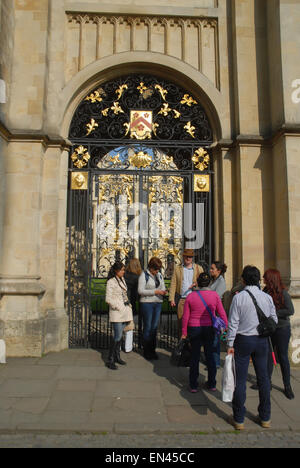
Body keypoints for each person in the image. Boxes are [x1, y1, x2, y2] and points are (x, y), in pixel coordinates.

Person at [227, 265, 278, 430]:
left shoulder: (238, 297)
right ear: (258, 279)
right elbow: (274, 319)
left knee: (240, 380)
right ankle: (265, 417)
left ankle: (239, 418)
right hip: (262, 340)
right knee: (263, 379)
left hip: (243, 340)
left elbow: (233, 323)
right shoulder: (266, 297)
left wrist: (229, 343)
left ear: (243, 280)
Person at [181, 272, 228, 392]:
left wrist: (184, 332)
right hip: (209, 328)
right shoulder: (215, 295)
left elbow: (185, 316)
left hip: (194, 327)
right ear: (209, 283)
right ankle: (212, 383)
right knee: (210, 355)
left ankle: (193, 385)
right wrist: (226, 326)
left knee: (195, 356)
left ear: (198, 282)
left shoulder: (191, 296)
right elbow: (221, 312)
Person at [263, 269, 295, 399]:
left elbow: (290, 310)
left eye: (265, 278)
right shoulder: (265, 291)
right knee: (268, 356)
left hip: (282, 329)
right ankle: (267, 382)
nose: (263, 280)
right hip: (270, 328)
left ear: (271, 279)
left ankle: (287, 386)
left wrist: (274, 313)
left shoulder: (283, 293)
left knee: (283, 357)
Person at [169, 249, 203, 338]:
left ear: (192, 258)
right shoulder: (178, 269)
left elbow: (204, 282)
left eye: (190, 257)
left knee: (194, 323)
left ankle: (192, 342)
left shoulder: (198, 268)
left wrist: (196, 284)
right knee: (181, 322)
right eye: (187, 256)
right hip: (182, 299)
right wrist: (172, 298)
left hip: (195, 300)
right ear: (183, 257)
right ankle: (183, 344)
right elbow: (173, 283)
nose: (188, 258)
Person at [105, 261, 133, 370]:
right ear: (116, 271)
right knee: (117, 335)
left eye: (124, 270)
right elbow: (108, 298)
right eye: (122, 270)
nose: (123, 272)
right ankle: (110, 359)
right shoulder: (111, 282)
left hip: (124, 312)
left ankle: (117, 356)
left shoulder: (122, 279)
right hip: (117, 312)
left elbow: (124, 294)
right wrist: (118, 306)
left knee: (120, 335)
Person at [138, 257, 167, 360]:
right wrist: (155, 292)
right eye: (155, 269)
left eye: (158, 269)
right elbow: (140, 291)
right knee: (148, 326)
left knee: (154, 327)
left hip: (157, 302)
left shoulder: (159, 275)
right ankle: (146, 350)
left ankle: (152, 350)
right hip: (147, 303)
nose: (157, 271)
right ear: (150, 267)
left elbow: (162, 286)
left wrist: (163, 291)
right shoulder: (143, 275)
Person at [209, 261, 227, 368]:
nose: (210, 270)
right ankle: (211, 360)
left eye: (212, 268)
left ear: (218, 271)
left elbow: (217, 296)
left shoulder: (221, 281)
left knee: (215, 339)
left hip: (215, 313)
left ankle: (215, 363)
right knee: (212, 338)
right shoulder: (213, 280)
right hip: (211, 312)